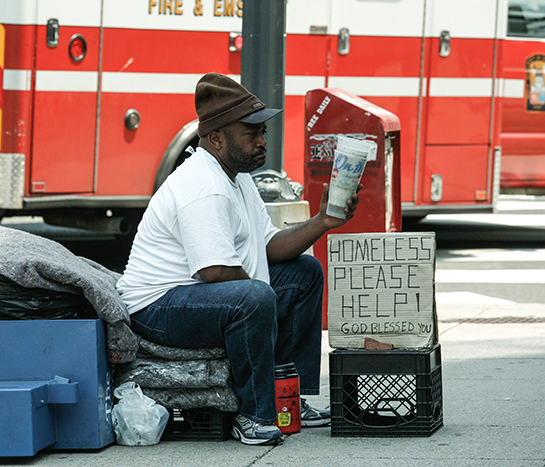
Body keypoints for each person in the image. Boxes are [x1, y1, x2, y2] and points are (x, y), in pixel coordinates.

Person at [116, 72, 361, 445]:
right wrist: (262, 299)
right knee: (253, 297)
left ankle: (290, 398)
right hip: (157, 309)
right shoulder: (203, 186)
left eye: (262, 132)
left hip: (196, 294)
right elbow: (216, 272)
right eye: (252, 134)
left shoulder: (238, 176)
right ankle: (254, 414)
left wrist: (322, 222)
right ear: (217, 138)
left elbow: (269, 246)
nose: (263, 142)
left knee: (303, 273)